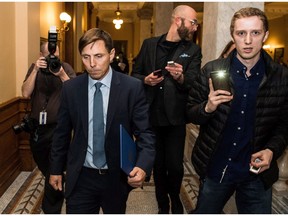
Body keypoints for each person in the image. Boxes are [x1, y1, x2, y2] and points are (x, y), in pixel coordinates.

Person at [186, 7, 288, 214]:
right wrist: (208, 107)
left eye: (255, 33)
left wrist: (271, 150)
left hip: (257, 174)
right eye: (241, 33)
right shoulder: (211, 70)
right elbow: (189, 112)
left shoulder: (281, 77)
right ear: (233, 35)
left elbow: (285, 124)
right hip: (217, 169)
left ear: (265, 35)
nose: (248, 41)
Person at [49, 28, 155, 214]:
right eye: (86, 57)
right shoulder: (71, 89)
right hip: (81, 175)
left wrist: (142, 165)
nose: (92, 64)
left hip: (116, 177)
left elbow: (145, 133)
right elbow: (61, 133)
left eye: (98, 56)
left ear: (111, 54)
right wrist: (55, 169)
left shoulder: (132, 88)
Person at [132, 5, 202, 214]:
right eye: (193, 22)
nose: (195, 28)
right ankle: (163, 206)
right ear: (178, 21)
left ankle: (175, 197)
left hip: (175, 119)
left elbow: (194, 82)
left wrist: (180, 77)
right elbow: (133, 74)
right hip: (151, 118)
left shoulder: (192, 50)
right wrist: (145, 79)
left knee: (175, 166)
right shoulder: (150, 45)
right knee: (158, 167)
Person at [21, 41, 76, 213]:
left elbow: (75, 92)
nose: (53, 57)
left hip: (59, 128)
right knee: (47, 166)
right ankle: (57, 181)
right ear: (41, 55)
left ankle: (51, 209)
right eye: (48, 55)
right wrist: (36, 70)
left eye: (55, 54)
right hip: (38, 129)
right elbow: (25, 93)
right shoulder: (34, 68)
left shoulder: (65, 67)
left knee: (55, 167)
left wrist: (60, 74)